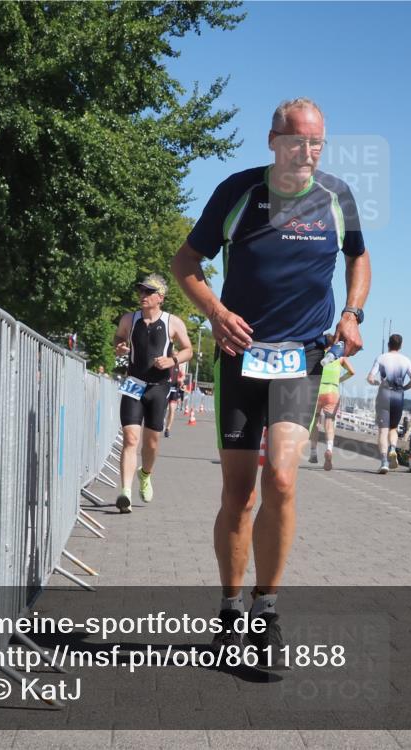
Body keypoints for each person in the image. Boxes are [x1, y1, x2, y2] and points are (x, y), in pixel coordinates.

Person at [171, 97, 371, 662]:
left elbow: (359, 258)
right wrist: (213, 311)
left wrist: (352, 312)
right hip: (240, 359)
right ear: (272, 140)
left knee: (281, 480)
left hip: (302, 358)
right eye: (297, 140)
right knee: (239, 493)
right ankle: (230, 610)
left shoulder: (336, 197)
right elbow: (185, 262)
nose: (306, 152)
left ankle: (267, 611)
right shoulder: (238, 192)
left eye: (316, 143)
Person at [113, 273, 192, 512]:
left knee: (152, 443)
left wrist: (173, 360)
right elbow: (117, 338)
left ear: (160, 297)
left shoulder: (173, 322)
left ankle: (145, 474)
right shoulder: (130, 318)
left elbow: (188, 349)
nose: (142, 296)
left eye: (148, 292)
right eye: (141, 291)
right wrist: (119, 345)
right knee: (130, 439)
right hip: (134, 382)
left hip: (159, 387)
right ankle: (125, 492)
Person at [367, 334, 411, 474]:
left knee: (383, 430)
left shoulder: (381, 358)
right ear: (400, 346)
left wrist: (375, 382)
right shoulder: (406, 360)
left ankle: (384, 462)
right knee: (393, 428)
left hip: (384, 394)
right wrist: (404, 388)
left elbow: (370, 377)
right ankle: (393, 449)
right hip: (398, 395)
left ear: (389, 344)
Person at [308, 354, 354, 470]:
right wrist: (339, 380)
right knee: (329, 424)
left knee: (315, 422)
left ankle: (313, 452)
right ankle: (329, 449)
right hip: (332, 391)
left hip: (318, 390)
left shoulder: (321, 354)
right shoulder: (341, 357)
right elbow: (352, 372)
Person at [164, 361, 187, 437]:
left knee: (172, 410)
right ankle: (161, 421)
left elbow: (183, 376)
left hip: (174, 390)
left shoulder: (178, 366)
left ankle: (167, 429)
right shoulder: (166, 364)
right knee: (161, 408)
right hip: (165, 389)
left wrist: (181, 379)